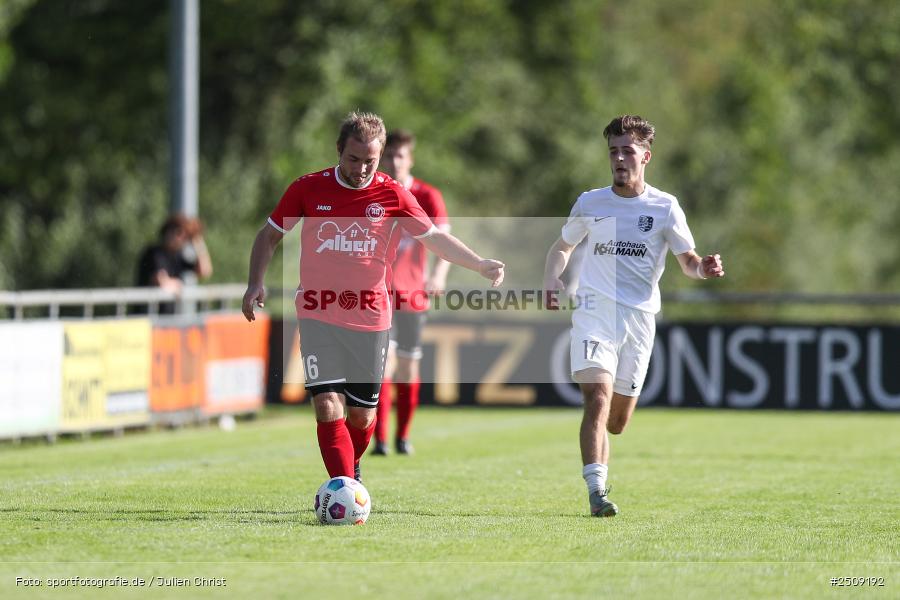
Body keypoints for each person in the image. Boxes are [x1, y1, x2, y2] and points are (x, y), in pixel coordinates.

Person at [242, 111, 504, 484]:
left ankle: (351, 469)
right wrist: (256, 282)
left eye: (371, 160)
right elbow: (269, 235)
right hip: (318, 313)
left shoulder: (393, 194)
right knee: (327, 404)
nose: (363, 168)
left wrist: (478, 264)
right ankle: (344, 487)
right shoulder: (308, 188)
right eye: (354, 159)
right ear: (338, 150)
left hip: (371, 317)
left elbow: (435, 239)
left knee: (363, 417)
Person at [542, 115, 724, 517]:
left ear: (646, 156)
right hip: (595, 312)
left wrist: (703, 269)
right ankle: (596, 491)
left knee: (617, 421)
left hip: (639, 319)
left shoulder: (664, 207)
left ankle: (601, 469)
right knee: (597, 397)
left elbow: (687, 261)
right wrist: (553, 279)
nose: (619, 158)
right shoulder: (591, 202)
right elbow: (562, 246)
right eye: (613, 151)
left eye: (628, 151)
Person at [372, 130, 451, 456]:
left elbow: (444, 239)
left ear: (410, 159)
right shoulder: (374, 193)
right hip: (379, 295)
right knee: (382, 366)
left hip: (413, 295)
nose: (394, 161)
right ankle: (380, 440)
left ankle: (403, 436)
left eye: (400, 156)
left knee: (408, 368)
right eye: (389, 155)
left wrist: (437, 274)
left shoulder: (427, 195)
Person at [136, 214, 213, 313]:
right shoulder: (154, 253)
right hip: (148, 318)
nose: (180, 238)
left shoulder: (177, 257)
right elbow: (161, 282)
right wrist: (179, 284)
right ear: (167, 231)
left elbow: (205, 271)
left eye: (185, 235)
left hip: (168, 320)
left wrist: (196, 240)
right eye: (177, 232)